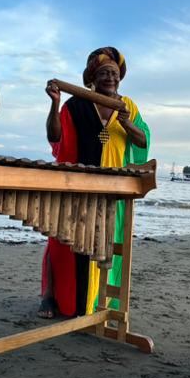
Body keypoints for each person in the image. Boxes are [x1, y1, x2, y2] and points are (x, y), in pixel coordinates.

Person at [39, 47, 149, 318]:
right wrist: (55, 103)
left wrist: (126, 124)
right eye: (103, 73)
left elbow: (143, 141)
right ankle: (52, 298)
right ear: (92, 78)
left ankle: (100, 304)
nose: (110, 77)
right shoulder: (74, 104)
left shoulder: (129, 106)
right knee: (61, 241)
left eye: (114, 73)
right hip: (75, 186)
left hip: (113, 190)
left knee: (106, 245)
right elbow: (55, 137)